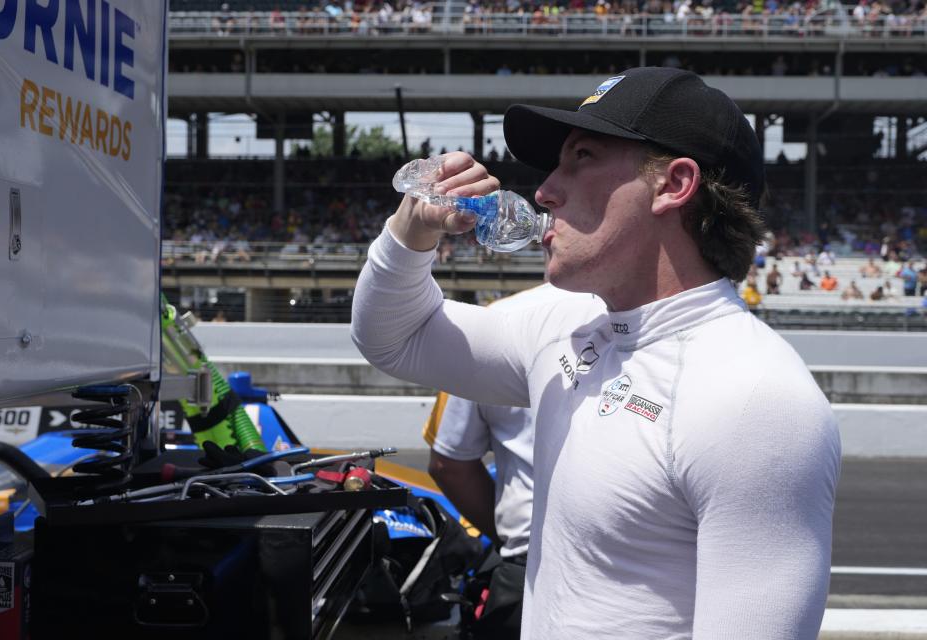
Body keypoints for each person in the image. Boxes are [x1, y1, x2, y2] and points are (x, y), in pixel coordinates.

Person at [351, 67, 840, 639]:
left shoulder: (757, 402)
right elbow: (395, 336)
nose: (543, 190)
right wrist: (410, 234)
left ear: (673, 185)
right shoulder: (570, 322)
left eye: (581, 157)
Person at [423, 283, 592, 639]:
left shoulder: (498, 321)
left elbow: (449, 463)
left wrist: (510, 540)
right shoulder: (683, 321)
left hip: (528, 571)